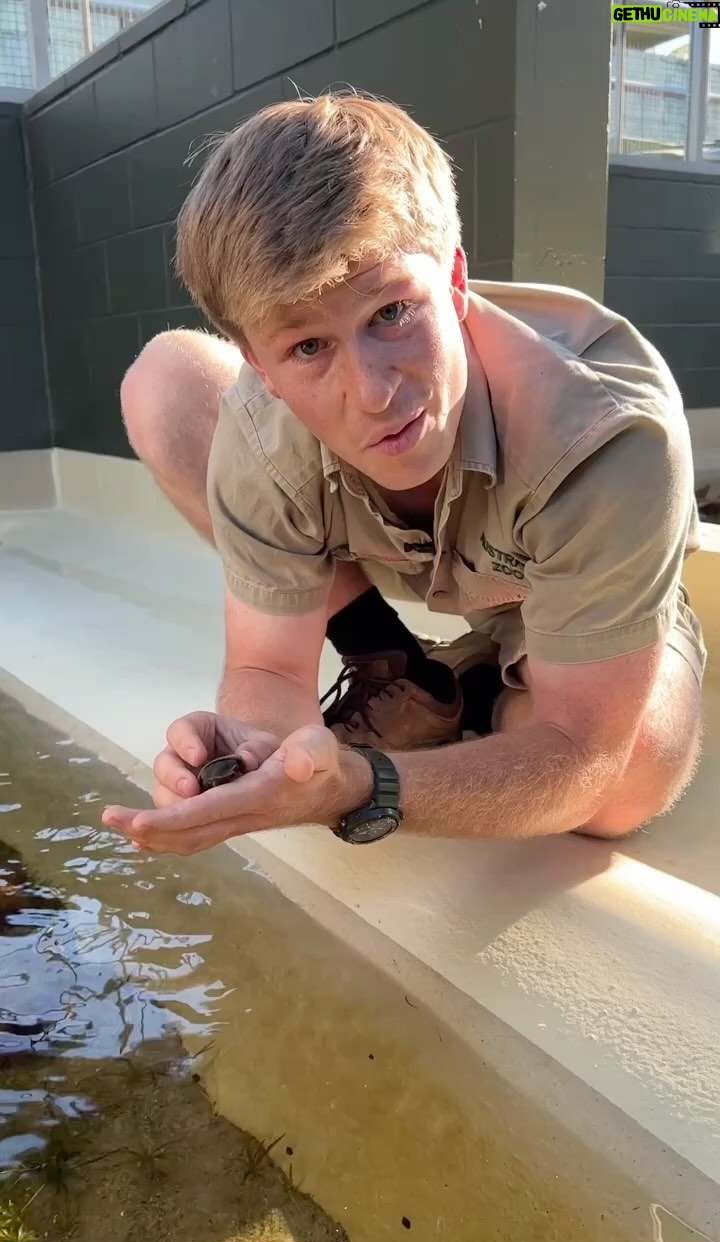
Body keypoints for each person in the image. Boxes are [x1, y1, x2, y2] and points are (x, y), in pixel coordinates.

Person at [103, 91, 706, 856]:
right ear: (260, 365)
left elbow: (583, 755)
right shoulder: (264, 430)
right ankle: (402, 670)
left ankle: (484, 690)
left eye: (390, 314)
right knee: (165, 379)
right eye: (308, 348)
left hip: (570, 588)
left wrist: (365, 784)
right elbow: (265, 668)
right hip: (401, 568)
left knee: (625, 782)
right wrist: (255, 752)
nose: (375, 392)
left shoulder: (607, 437)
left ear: (455, 281)